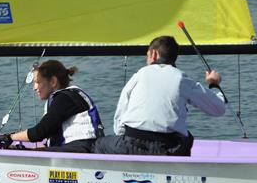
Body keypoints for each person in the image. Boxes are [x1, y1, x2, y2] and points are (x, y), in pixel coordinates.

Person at [93, 36, 226, 156]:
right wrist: (213, 84)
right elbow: (219, 109)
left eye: (147, 56)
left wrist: (123, 139)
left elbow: (120, 116)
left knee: (99, 143)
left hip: (131, 146)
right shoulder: (181, 78)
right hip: (167, 149)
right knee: (187, 137)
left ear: (154, 54)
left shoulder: (139, 75)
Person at [0, 60, 104, 153]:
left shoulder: (65, 98)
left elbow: (40, 133)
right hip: (77, 149)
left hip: (81, 151)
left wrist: (10, 137)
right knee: (22, 151)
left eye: (37, 82)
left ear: (53, 81)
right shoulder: (64, 97)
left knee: (25, 152)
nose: (34, 88)